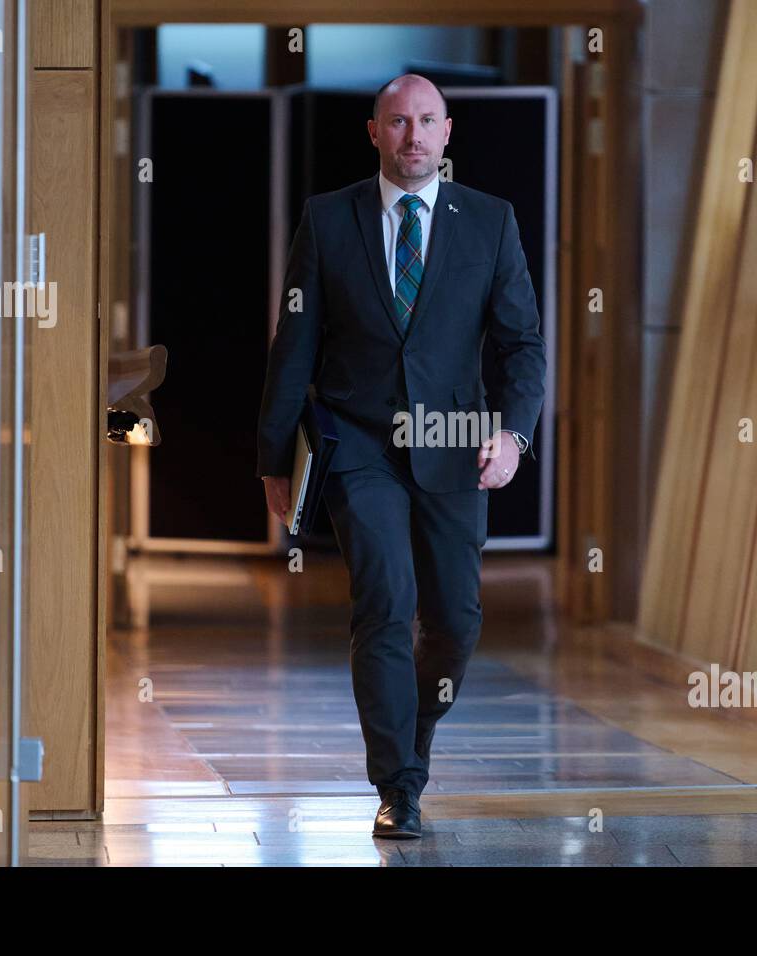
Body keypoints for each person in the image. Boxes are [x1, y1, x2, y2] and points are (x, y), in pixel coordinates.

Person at [255, 73, 546, 838]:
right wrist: (273, 457)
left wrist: (513, 435)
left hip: (454, 445)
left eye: (425, 122)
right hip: (360, 445)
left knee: (455, 620)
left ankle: (411, 738)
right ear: (374, 132)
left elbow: (523, 346)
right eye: (397, 122)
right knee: (383, 602)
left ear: (447, 132)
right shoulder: (328, 220)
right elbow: (296, 348)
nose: (412, 136)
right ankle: (398, 787)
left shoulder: (490, 222)